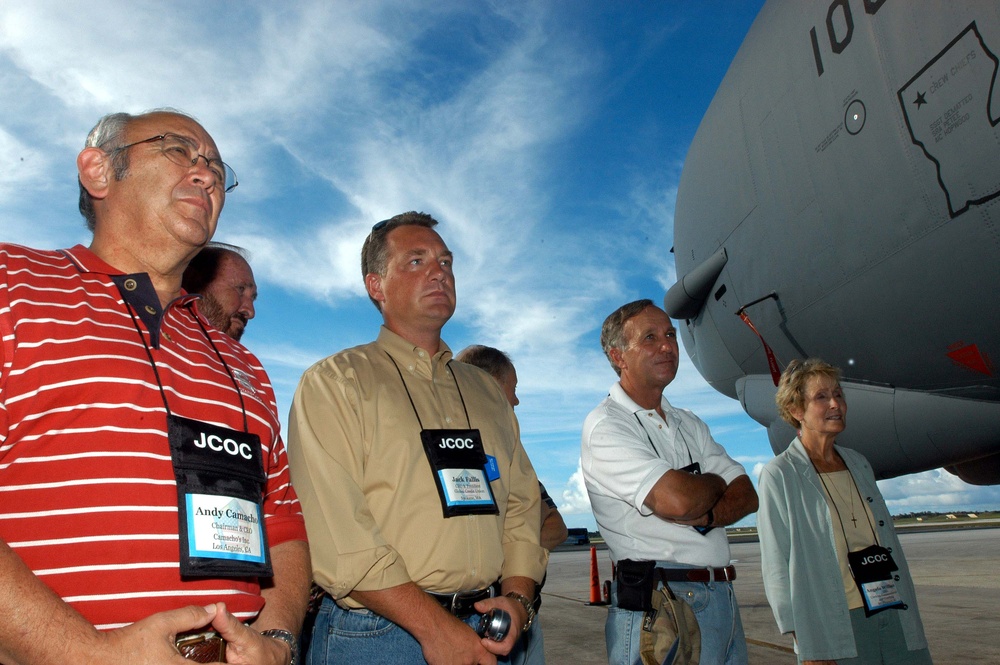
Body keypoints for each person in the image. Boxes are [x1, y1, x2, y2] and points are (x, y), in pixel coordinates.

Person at [0, 110, 309, 664]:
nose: (207, 173)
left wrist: (279, 642)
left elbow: (283, 522)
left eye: (215, 165)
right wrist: (85, 654)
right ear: (99, 172)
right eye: (177, 150)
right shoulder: (12, 283)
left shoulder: (244, 365)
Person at [287, 212, 547, 665]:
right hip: (376, 635)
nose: (439, 272)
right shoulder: (336, 382)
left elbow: (522, 504)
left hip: (489, 626)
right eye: (416, 261)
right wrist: (435, 627)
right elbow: (336, 531)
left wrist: (519, 599)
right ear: (376, 285)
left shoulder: (486, 391)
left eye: (446, 262)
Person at [581, 299, 757, 665]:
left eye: (670, 335)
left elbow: (747, 495)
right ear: (618, 356)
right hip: (662, 606)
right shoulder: (607, 426)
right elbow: (676, 502)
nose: (667, 346)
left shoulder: (688, 422)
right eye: (650, 338)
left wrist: (706, 514)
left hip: (721, 596)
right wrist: (713, 481)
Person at [757, 359, 932, 664]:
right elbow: (775, 565)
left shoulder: (859, 463)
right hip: (835, 624)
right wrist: (805, 642)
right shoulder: (780, 474)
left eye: (838, 394)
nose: (836, 403)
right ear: (797, 410)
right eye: (821, 397)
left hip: (892, 607)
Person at [455, 345, 569, 665]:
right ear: (488, 383)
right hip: (476, 622)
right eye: (513, 389)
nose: (516, 401)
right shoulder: (452, 446)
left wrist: (513, 558)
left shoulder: (508, 455)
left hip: (521, 616)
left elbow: (555, 527)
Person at [182, 242, 258, 341]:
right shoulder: (157, 340)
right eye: (240, 289)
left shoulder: (241, 355)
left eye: (252, 298)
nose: (250, 312)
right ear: (193, 281)